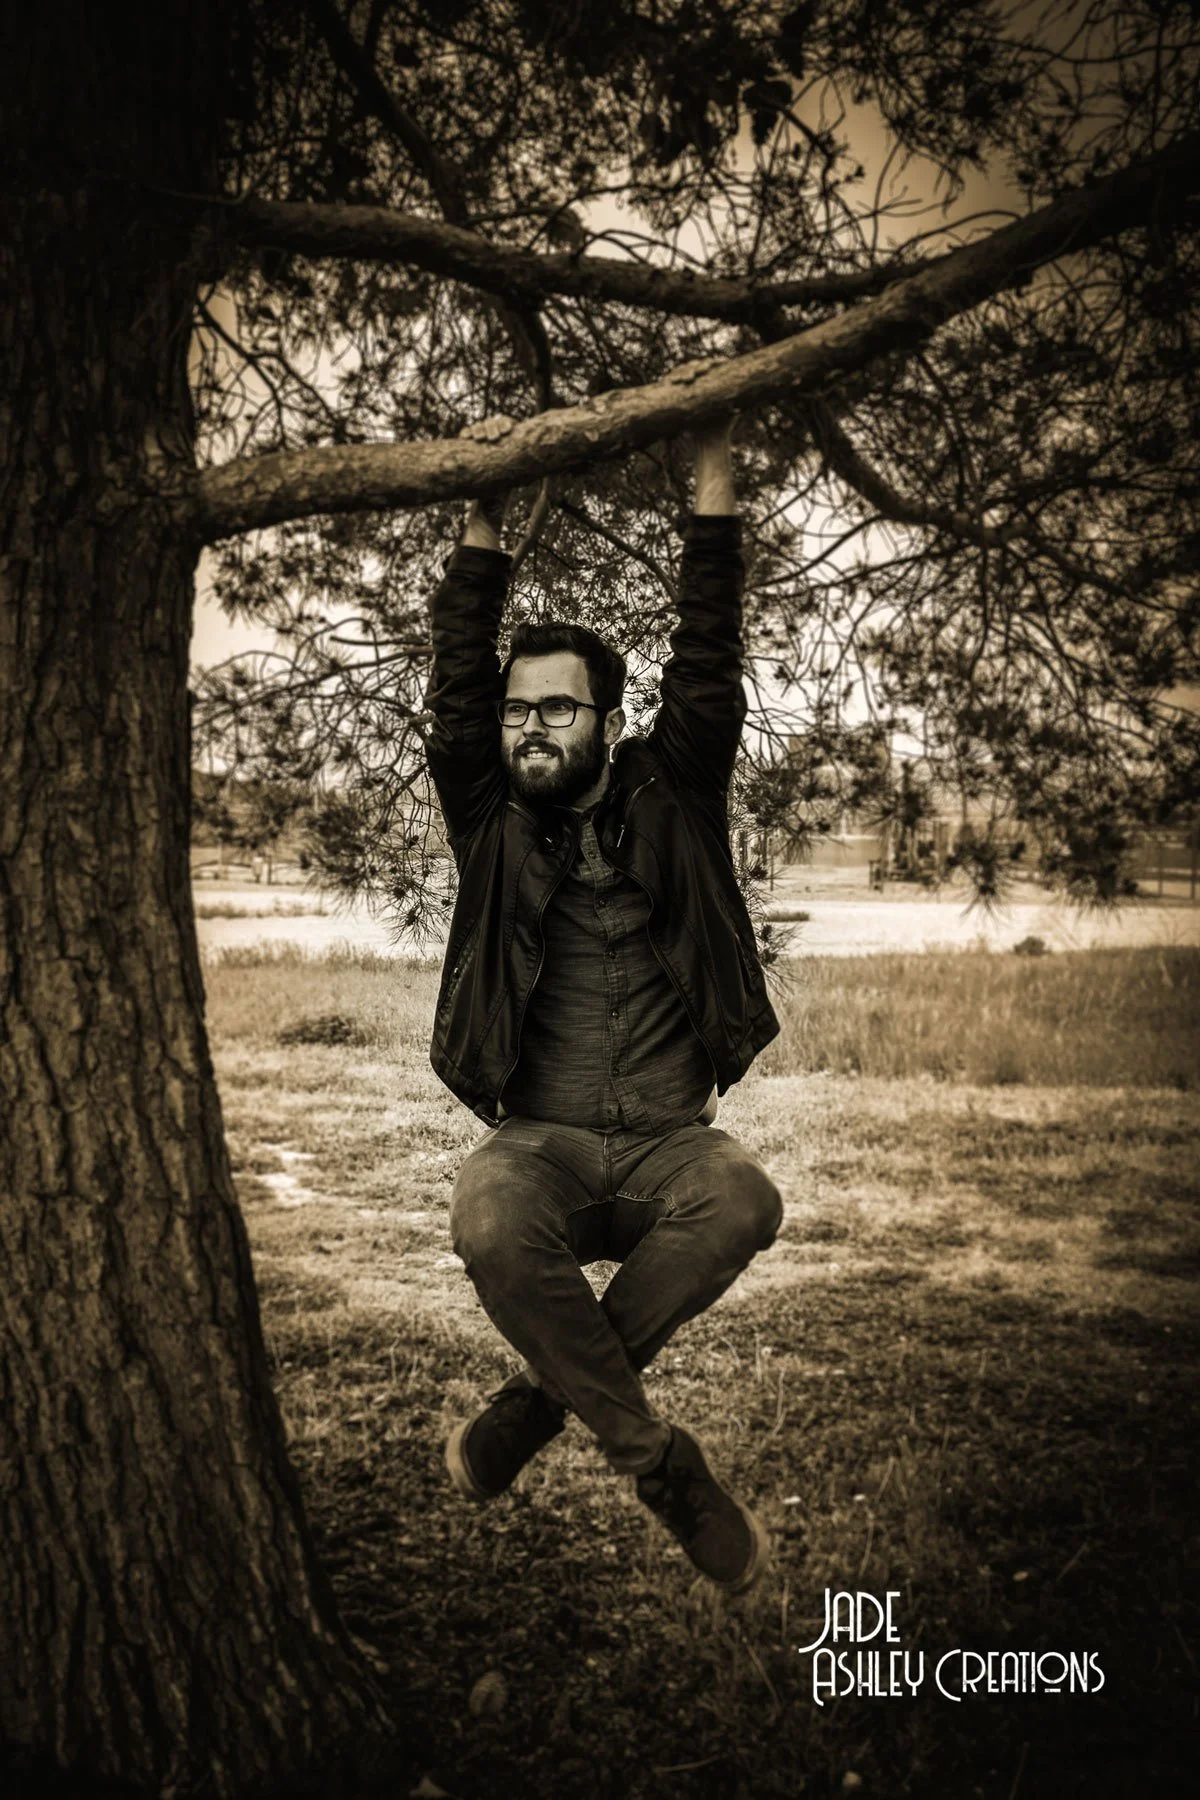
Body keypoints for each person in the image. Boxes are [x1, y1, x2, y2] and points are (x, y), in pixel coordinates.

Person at [423, 419, 783, 1593]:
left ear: (611, 726)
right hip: (543, 1143)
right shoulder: (488, 814)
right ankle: (658, 1463)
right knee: (486, 1218)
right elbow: (457, 677)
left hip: (673, 1143)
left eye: (559, 710)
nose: (529, 726)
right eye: (518, 710)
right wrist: (483, 509)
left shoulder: (677, 788)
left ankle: (537, 1404)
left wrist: (714, 471)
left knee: (745, 1197)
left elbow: (707, 647)